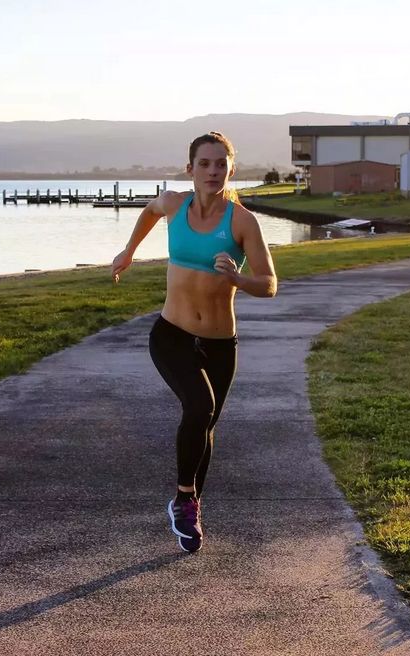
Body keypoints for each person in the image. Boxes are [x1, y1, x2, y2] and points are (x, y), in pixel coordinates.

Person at [111, 132, 277, 553]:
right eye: (204, 163)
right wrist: (128, 252)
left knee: (205, 423)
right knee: (199, 407)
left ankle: (190, 506)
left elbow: (269, 283)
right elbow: (148, 211)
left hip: (221, 344)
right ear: (190, 169)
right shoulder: (173, 205)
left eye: (221, 163)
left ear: (231, 169)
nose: (213, 171)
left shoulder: (242, 221)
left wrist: (238, 278)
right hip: (172, 334)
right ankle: (185, 500)